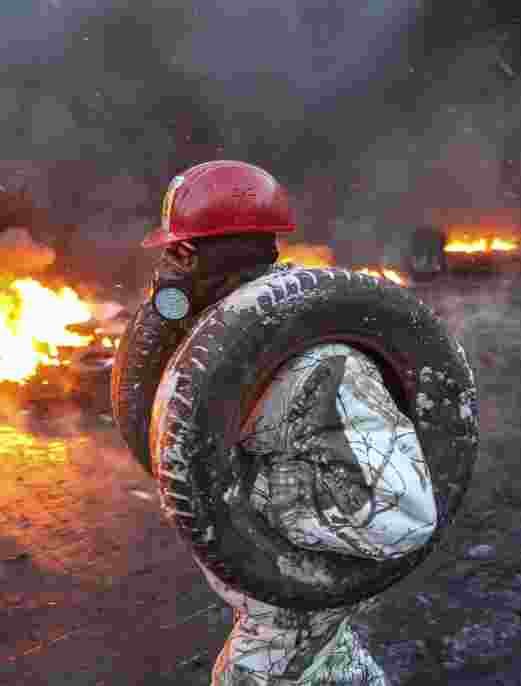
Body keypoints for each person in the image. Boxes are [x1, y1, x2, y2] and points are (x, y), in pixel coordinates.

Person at [142, 161, 438, 686]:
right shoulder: (221, 337)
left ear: (224, 254)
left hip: (288, 620)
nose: (170, 262)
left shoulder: (320, 367)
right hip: (274, 608)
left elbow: (405, 515)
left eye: (182, 251)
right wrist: (167, 301)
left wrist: (240, 493)